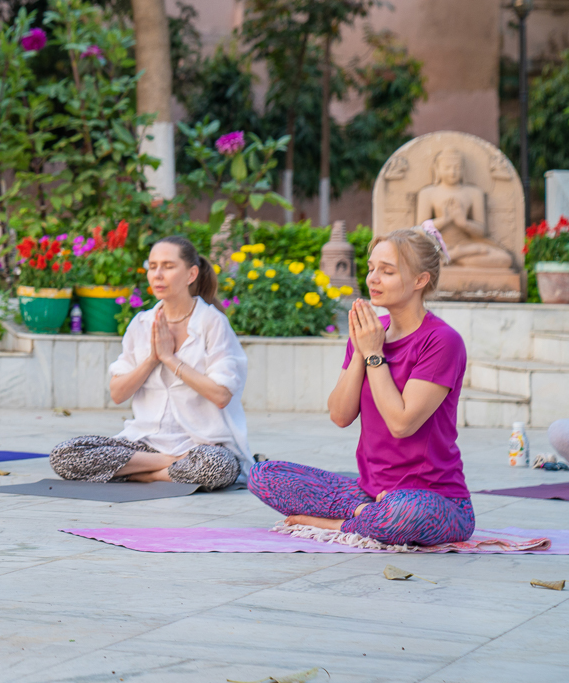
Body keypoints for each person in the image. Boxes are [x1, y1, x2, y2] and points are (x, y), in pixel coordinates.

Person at [250, 225, 474, 546]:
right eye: (371, 268)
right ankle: (364, 514)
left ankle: (338, 523)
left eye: (387, 271)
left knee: (402, 513)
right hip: (368, 492)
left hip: (432, 500)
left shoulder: (441, 341)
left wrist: (373, 355)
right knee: (263, 475)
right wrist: (360, 349)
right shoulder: (371, 332)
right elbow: (340, 416)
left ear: (420, 280)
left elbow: (401, 424)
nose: (372, 279)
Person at [49, 236, 250, 490]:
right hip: (145, 444)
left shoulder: (212, 322)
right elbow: (118, 393)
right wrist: (152, 359)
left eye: (168, 266)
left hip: (200, 445)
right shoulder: (141, 323)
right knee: (64, 455)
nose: (157, 275)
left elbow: (221, 395)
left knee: (218, 466)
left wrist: (170, 359)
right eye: (152, 266)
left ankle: (141, 475)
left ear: (191, 274)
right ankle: (168, 466)